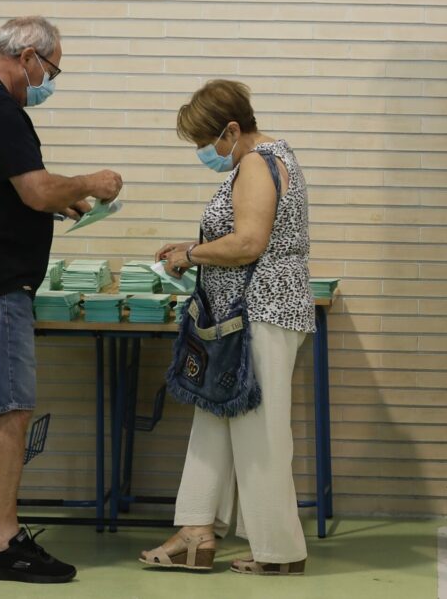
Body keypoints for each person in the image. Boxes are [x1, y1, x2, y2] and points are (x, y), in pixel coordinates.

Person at [0, 15, 123, 583]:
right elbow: (35, 185)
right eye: (52, 68)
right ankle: (3, 540)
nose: (49, 80)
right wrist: (91, 182)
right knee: (9, 410)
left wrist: (53, 204)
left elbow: (7, 191)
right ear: (29, 55)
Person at [139, 79, 314, 575]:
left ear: (233, 129)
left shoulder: (257, 163)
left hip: (261, 314)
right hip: (245, 315)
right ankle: (196, 532)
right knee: (213, 419)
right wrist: (188, 250)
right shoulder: (267, 157)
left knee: (261, 435)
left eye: (206, 142)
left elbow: (248, 243)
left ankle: (280, 552)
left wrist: (190, 254)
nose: (205, 153)